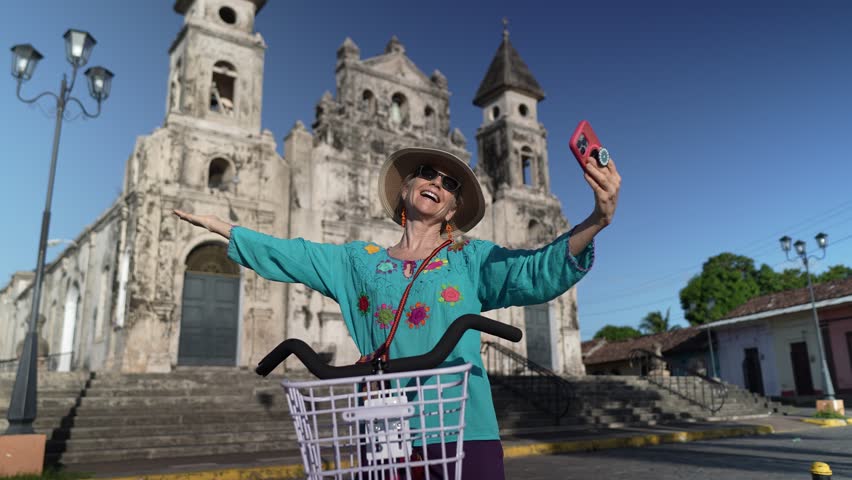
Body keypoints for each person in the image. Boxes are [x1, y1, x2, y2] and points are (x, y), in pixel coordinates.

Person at [174, 146, 621, 479]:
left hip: (464, 426)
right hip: (386, 426)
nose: (438, 184)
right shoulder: (359, 261)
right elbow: (296, 255)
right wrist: (226, 230)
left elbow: (535, 271)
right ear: (405, 189)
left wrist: (597, 219)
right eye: (428, 174)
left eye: (450, 185)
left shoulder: (470, 258)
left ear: (453, 208)